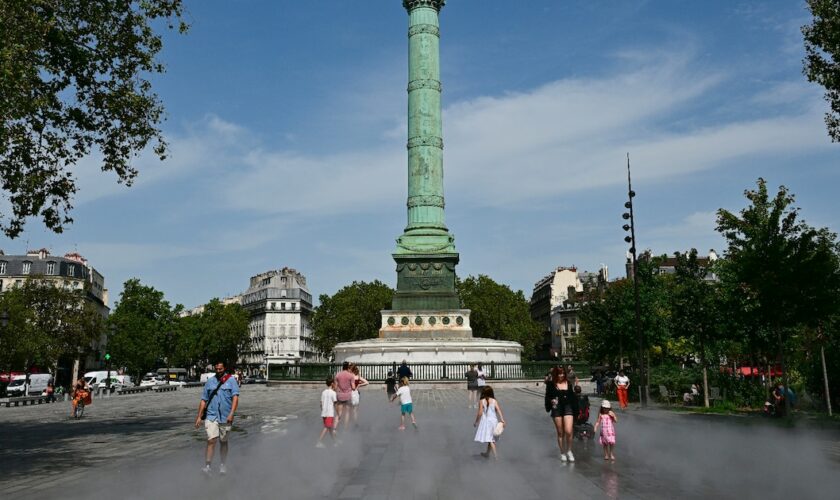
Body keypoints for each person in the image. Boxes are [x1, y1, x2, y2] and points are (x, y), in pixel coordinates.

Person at [195, 361, 240, 476]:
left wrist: (231, 413)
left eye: (220, 369)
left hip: (225, 416)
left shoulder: (231, 381)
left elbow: (235, 398)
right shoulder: (210, 382)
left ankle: (223, 464)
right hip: (211, 415)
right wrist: (199, 417)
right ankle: (208, 466)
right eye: (217, 369)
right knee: (211, 440)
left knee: (223, 441)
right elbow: (203, 400)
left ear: (224, 368)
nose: (218, 371)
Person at [545, 366, 578, 462]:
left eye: (563, 373)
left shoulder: (568, 383)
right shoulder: (551, 384)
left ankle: (569, 450)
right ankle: (562, 452)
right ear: (556, 374)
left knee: (568, 430)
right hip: (557, 408)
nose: (561, 375)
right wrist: (551, 401)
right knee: (560, 433)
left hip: (568, 407)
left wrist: (576, 409)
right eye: (559, 373)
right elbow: (548, 396)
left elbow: (572, 397)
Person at [474, 386, 506, 460]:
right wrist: (502, 420)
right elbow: (498, 410)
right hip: (494, 421)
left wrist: (476, 422)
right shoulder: (494, 401)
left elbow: (480, 413)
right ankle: (487, 454)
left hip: (486, 422)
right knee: (490, 438)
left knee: (491, 440)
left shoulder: (482, 401)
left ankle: (496, 457)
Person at [317, 377, 337, 448]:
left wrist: (323, 410)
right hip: (329, 413)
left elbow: (321, 403)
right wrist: (338, 413)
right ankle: (319, 442)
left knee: (330, 428)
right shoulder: (333, 393)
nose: (335, 384)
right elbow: (335, 403)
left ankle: (335, 442)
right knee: (327, 427)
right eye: (334, 383)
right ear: (332, 384)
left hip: (324, 413)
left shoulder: (323, 392)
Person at [334, 361, 355, 429]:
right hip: (348, 396)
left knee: (339, 413)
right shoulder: (351, 376)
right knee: (347, 413)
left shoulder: (337, 375)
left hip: (340, 396)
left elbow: (335, 387)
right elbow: (353, 387)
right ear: (348, 367)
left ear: (342, 367)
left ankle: (335, 428)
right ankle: (345, 428)